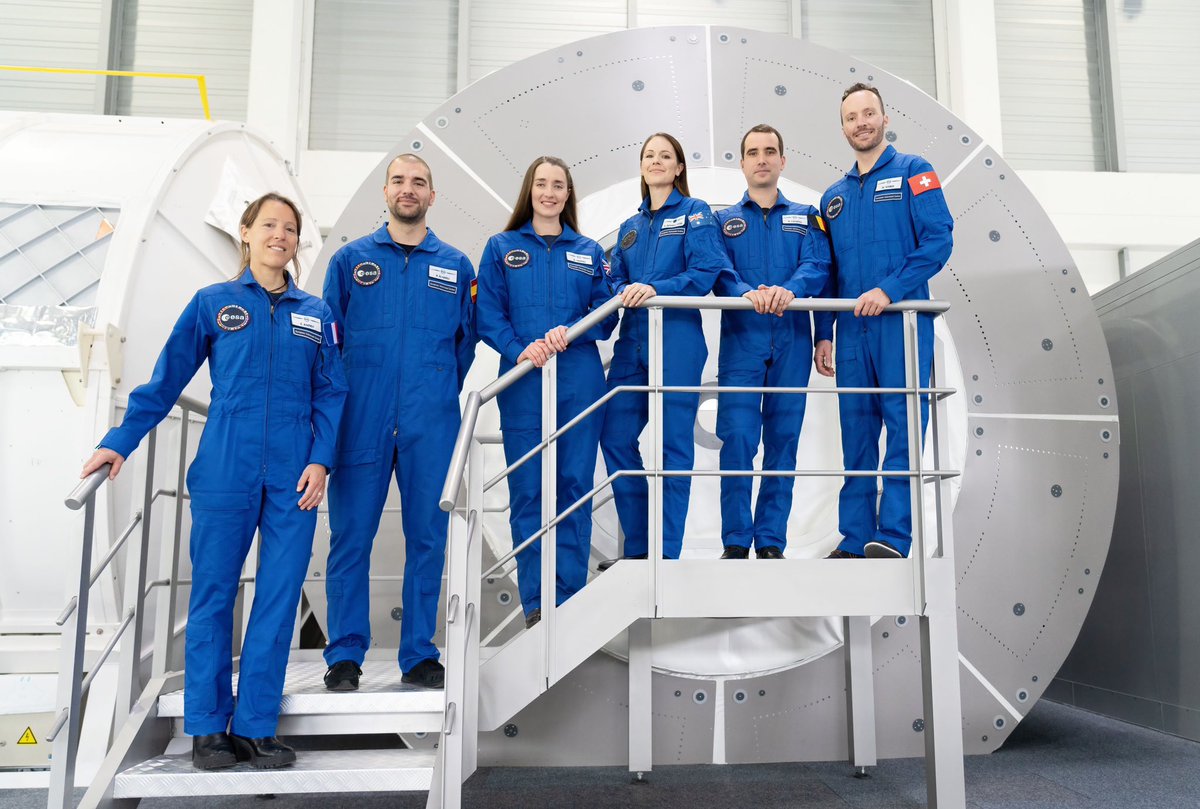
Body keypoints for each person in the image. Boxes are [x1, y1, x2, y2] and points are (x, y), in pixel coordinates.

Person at [79, 193, 347, 770]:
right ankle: (207, 727)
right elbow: (167, 378)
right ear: (245, 233)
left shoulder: (316, 313)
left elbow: (332, 391)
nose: (280, 235)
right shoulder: (213, 303)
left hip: (295, 472)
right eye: (269, 225)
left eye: (291, 228)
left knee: (277, 600)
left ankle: (253, 726)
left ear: (298, 243)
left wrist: (321, 459)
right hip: (226, 465)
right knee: (213, 596)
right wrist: (119, 441)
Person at [321, 154, 477, 692]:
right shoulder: (349, 261)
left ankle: (418, 653)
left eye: (419, 183)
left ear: (433, 196)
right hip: (359, 418)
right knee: (350, 538)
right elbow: (328, 342)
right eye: (399, 181)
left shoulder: (456, 266)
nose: (408, 190)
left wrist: (431, 390)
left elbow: (465, 344)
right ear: (384, 192)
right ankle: (343, 655)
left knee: (428, 538)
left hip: (429, 420)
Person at [814, 83, 954, 559]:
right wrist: (822, 334)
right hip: (851, 330)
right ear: (842, 127)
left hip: (901, 324)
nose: (861, 123)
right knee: (855, 434)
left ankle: (893, 538)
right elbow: (827, 271)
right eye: (852, 117)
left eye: (868, 113)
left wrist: (889, 289)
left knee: (902, 429)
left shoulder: (916, 172)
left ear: (885, 117)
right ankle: (855, 539)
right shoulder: (832, 197)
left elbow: (938, 241)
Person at [476, 156, 618, 627]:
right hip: (524, 381)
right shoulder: (501, 248)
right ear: (529, 191)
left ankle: (569, 596)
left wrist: (572, 331)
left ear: (568, 194)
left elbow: (608, 310)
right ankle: (537, 602)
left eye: (559, 185)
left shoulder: (590, 251)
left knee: (574, 488)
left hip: (578, 379)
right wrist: (520, 350)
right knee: (530, 491)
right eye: (542, 184)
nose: (550, 193)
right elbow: (488, 313)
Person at [599, 132, 730, 565]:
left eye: (666, 156)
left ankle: (666, 552)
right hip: (633, 339)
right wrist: (626, 290)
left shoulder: (696, 213)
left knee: (674, 444)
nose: (657, 161)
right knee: (615, 434)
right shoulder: (630, 228)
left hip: (676, 336)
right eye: (649, 155)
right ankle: (640, 546)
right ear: (641, 167)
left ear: (678, 169)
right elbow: (614, 279)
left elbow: (708, 269)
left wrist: (655, 289)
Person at [713, 124, 831, 560]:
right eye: (752, 152)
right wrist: (745, 291)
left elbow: (820, 266)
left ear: (783, 161)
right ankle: (735, 540)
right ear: (741, 163)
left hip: (793, 338)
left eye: (770, 151)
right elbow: (717, 270)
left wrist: (791, 290)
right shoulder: (722, 221)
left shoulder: (807, 216)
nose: (761, 159)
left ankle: (770, 541)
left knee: (783, 439)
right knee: (739, 437)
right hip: (743, 338)